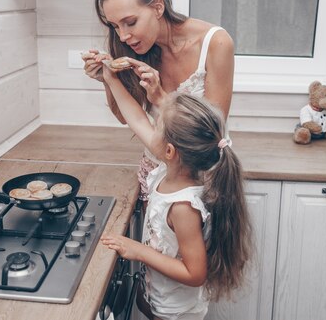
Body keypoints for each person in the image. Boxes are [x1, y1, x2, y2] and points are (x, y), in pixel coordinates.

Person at [100, 66, 253, 320]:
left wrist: (138, 251)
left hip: (176, 313)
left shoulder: (183, 207)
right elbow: (137, 118)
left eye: (157, 126)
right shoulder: (168, 172)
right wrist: (110, 78)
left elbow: (195, 274)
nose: (151, 128)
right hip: (160, 301)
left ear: (170, 151)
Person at [83, 0, 235, 203]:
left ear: (157, 7)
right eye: (115, 26)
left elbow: (210, 131)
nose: (122, 36)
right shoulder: (129, 47)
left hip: (200, 179)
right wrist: (107, 79)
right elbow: (126, 116)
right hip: (153, 171)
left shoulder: (215, 43)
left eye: (130, 22)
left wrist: (161, 99)